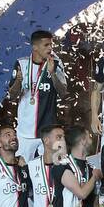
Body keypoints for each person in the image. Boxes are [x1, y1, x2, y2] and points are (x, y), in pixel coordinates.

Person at [9, 30, 68, 162]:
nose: (50, 48)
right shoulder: (21, 64)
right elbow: (12, 96)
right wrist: (18, 81)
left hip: (48, 131)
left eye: (51, 45)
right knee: (23, 169)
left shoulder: (56, 63)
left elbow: (63, 93)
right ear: (35, 47)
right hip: (25, 132)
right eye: (46, 45)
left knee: (52, 169)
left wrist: (52, 74)